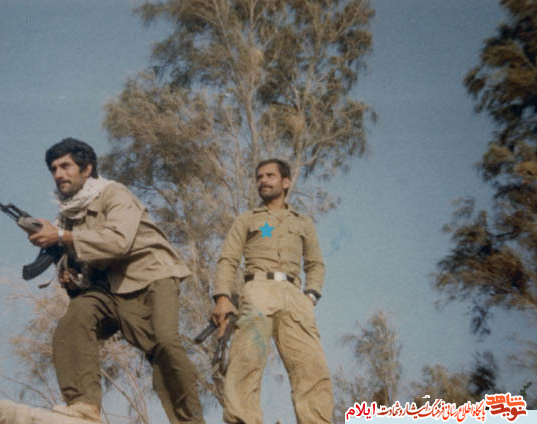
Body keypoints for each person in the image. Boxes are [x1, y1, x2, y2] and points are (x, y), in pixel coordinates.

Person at [27, 137, 204, 424]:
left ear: (87, 169)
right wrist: (71, 276)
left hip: (150, 275)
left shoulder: (114, 193)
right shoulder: (67, 216)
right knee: (74, 322)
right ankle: (84, 405)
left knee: (165, 344)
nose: (58, 174)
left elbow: (118, 242)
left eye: (65, 166)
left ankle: (189, 421)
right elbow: (81, 260)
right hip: (106, 287)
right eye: (54, 169)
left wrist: (60, 236)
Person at [212, 159, 334, 423]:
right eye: (259, 177)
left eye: (270, 176)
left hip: (294, 296)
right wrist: (222, 297)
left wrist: (310, 297)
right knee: (246, 361)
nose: (263, 181)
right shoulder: (247, 220)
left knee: (311, 367)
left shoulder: (303, 223)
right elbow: (228, 259)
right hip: (257, 290)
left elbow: (315, 264)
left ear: (286, 182)